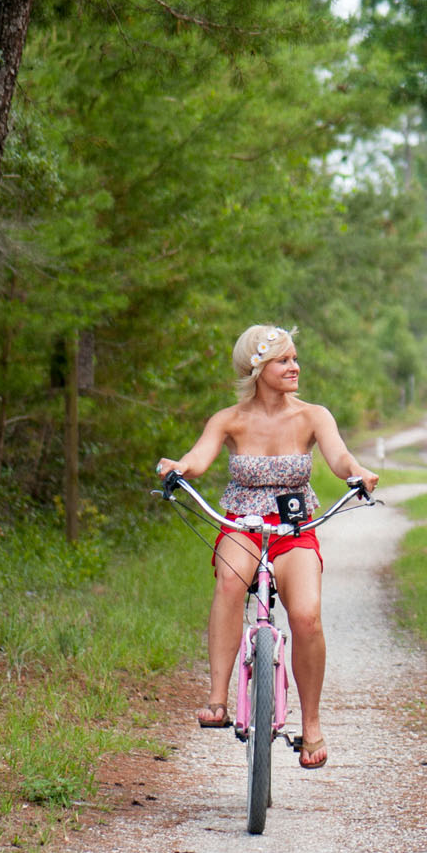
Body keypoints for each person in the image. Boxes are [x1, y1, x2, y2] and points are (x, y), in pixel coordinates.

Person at [156, 325, 378, 770]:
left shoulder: (314, 416)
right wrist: (178, 467)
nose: (294, 367)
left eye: (295, 359)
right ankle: (219, 697)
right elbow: (198, 460)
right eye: (283, 360)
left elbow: (338, 458)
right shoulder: (229, 419)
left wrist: (357, 471)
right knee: (230, 581)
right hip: (242, 524)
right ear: (257, 368)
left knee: (306, 617)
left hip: (295, 527)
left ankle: (310, 723)